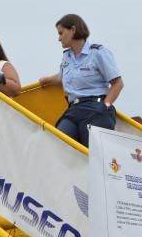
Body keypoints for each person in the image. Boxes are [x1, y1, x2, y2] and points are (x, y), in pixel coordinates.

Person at [39, 13, 123, 147]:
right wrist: (45, 80)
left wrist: (105, 106)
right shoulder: (66, 57)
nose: (59, 38)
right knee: (59, 144)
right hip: (74, 109)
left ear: (73, 30)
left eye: (61, 33)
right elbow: (62, 76)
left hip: (96, 109)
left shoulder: (98, 53)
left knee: (93, 156)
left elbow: (117, 83)